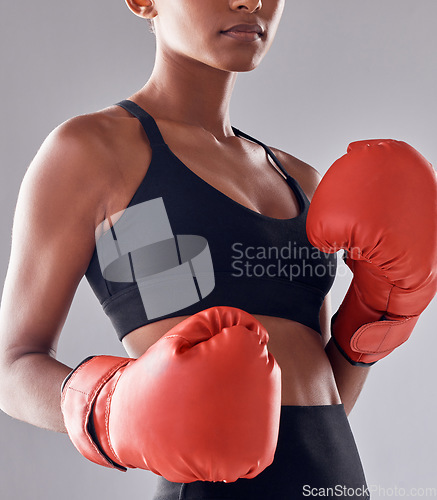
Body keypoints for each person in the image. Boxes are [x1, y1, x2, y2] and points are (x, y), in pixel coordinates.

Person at [1, 0, 435, 499]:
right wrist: (112, 408)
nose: (249, 1)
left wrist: (373, 318)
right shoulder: (95, 152)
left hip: (338, 482)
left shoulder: (303, 182)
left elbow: (321, 391)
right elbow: (12, 367)